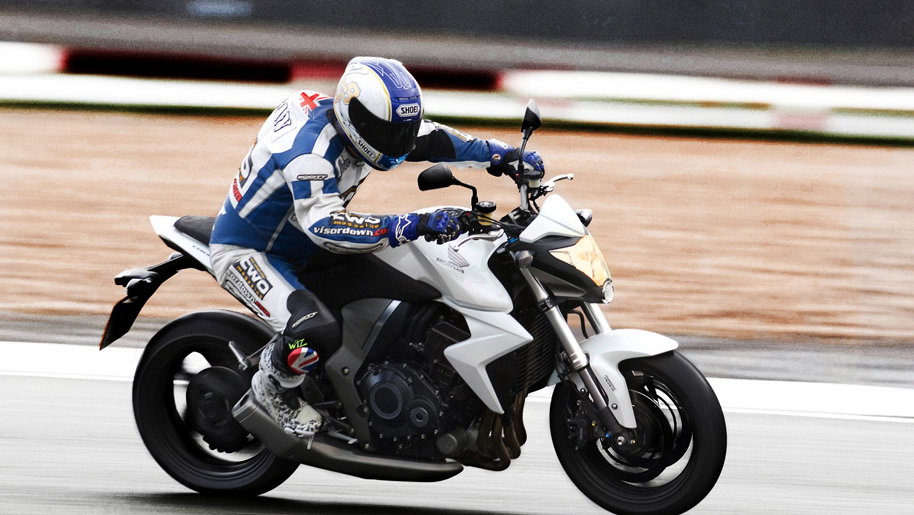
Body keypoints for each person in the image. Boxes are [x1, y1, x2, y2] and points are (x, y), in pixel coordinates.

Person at [209, 56, 544, 437]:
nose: (399, 142)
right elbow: (324, 226)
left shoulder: (376, 128)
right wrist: (408, 224)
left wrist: (503, 155)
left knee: (403, 290)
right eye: (390, 132)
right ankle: (271, 388)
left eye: (403, 131)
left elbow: (436, 139)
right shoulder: (310, 154)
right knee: (314, 330)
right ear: (356, 118)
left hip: (310, 247)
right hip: (252, 251)